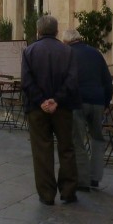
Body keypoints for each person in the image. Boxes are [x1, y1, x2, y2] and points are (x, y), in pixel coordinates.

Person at [21, 15, 79, 205]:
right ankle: (68, 191)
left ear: (38, 31)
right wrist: (56, 100)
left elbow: (26, 82)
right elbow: (72, 80)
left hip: (37, 110)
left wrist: (41, 101)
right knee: (67, 148)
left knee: (42, 150)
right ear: (56, 31)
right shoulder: (67, 51)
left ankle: (46, 194)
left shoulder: (29, 52)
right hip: (62, 108)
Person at [63, 29, 113, 192]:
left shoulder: (67, 54)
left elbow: (64, 80)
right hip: (98, 101)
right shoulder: (95, 53)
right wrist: (106, 103)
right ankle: (95, 177)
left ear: (66, 41)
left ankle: (82, 180)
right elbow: (107, 80)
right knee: (97, 139)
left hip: (78, 102)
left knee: (78, 140)